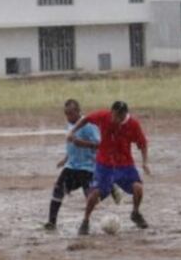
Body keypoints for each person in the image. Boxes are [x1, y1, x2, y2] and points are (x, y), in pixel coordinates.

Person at [68, 100, 150, 235]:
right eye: (113, 115)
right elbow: (86, 119)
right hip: (104, 165)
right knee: (94, 194)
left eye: (118, 116)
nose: (114, 119)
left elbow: (143, 143)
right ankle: (85, 221)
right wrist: (73, 131)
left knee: (138, 188)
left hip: (125, 165)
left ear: (124, 115)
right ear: (111, 112)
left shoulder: (133, 125)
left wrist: (145, 162)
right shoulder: (103, 116)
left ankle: (135, 213)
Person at [44, 99, 102, 230]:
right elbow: (71, 145)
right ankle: (51, 222)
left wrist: (82, 143)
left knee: (92, 198)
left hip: (87, 168)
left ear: (78, 111)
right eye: (66, 114)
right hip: (71, 166)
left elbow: (99, 145)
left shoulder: (89, 125)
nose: (68, 117)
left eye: (70, 113)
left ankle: (86, 221)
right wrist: (65, 159)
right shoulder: (69, 125)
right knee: (58, 189)